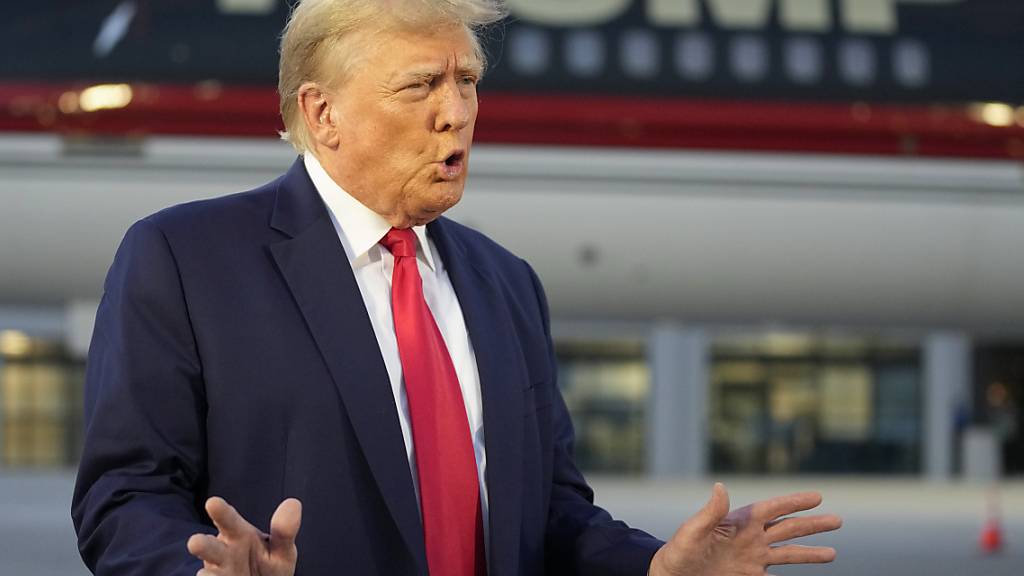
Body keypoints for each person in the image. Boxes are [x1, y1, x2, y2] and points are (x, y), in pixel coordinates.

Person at [71, 1, 841, 575]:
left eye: (466, 80)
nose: (458, 114)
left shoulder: (505, 284)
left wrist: (651, 566)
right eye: (420, 87)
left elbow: (552, 515)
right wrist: (196, 570)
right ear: (322, 112)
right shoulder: (185, 258)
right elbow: (124, 496)